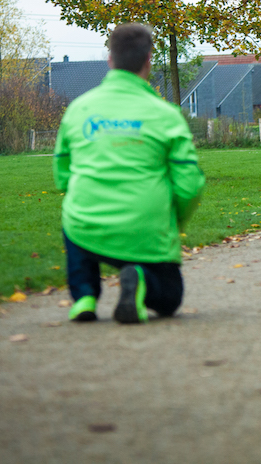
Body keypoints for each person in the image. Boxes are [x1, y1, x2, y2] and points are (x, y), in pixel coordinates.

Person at [53, 23, 205, 324]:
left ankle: (84, 296)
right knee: (170, 298)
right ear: (149, 59)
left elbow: (62, 174)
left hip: (86, 221)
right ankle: (140, 277)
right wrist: (172, 220)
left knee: (75, 225)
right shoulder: (166, 115)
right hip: (146, 227)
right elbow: (190, 185)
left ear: (110, 59)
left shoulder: (79, 109)